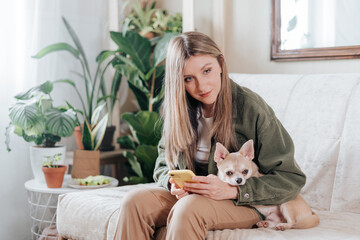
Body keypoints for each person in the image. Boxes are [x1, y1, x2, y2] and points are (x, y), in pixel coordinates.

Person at [114, 31, 306, 240]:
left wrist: (234, 191)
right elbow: (163, 164)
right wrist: (173, 185)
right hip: (194, 197)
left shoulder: (251, 108)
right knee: (133, 202)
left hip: (244, 202)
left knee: (189, 209)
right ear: (179, 81)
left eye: (207, 71)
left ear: (221, 64)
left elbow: (290, 178)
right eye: (188, 78)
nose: (202, 86)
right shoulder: (179, 111)